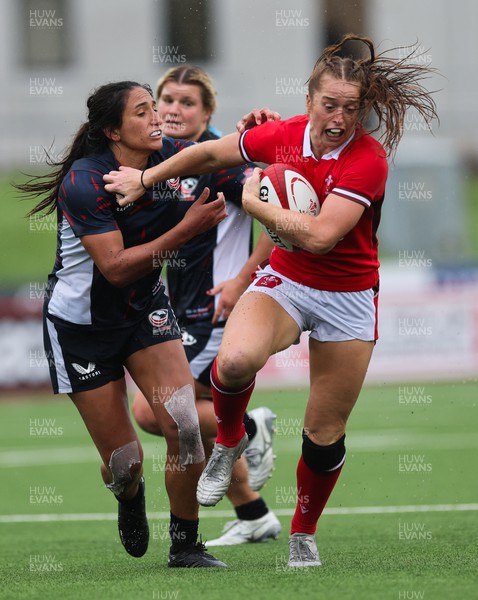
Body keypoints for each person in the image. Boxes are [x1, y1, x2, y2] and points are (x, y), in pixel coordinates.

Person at [103, 34, 439, 567]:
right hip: (287, 280)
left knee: (323, 434)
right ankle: (231, 441)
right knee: (234, 363)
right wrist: (147, 178)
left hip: (348, 296)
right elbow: (210, 153)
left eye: (351, 108)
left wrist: (254, 202)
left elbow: (321, 237)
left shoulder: (368, 160)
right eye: (328, 105)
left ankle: (303, 533)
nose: (338, 118)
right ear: (307, 102)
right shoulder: (281, 135)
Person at [18, 80, 231, 568]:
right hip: (81, 329)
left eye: (156, 107)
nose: (159, 117)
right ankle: (129, 495)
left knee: (185, 427)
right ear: (113, 130)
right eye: (143, 111)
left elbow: (219, 156)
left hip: (144, 313)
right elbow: (113, 266)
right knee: (124, 464)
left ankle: (186, 544)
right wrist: (186, 229)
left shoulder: (170, 157)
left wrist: (262, 135)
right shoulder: (85, 180)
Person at [131, 65, 281, 546]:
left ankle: (250, 427)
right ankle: (253, 513)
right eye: (167, 100)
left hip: (215, 311)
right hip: (183, 309)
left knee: (154, 413)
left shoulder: (223, 164)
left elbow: (277, 223)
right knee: (184, 420)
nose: (174, 110)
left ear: (208, 112)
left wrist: (242, 279)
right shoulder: (169, 158)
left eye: (186, 102)